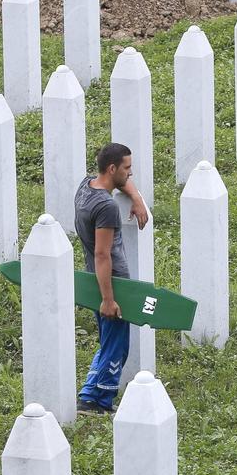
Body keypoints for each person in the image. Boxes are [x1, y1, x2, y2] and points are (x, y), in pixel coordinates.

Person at [74, 143, 149, 415]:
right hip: (113, 283)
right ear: (112, 168)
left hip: (94, 280)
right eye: (127, 168)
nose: (131, 174)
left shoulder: (86, 187)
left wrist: (137, 198)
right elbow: (102, 253)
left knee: (108, 342)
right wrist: (109, 299)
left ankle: (89, 394)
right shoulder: (106, 208)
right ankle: (97, 401)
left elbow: (121, 184)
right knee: (117, 346)